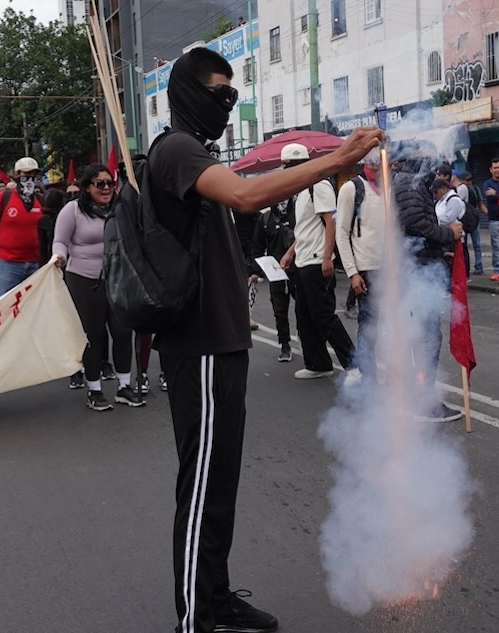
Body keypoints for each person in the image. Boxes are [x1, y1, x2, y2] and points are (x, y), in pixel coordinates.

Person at [146, 46, 382, 633]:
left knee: (220, 481)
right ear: (186, 92)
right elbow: (249, 195)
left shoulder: (198, 153)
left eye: (232, 94)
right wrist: (335, 160)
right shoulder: (176, 149)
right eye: (216, 93)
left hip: (223, 342)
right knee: (201, 484)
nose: (225, 104)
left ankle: (216, 596)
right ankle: (196, 617)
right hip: (196, 345)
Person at [53, 164, 142, 411]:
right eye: (99, 184)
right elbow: (60, 240)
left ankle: (124, 386)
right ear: (87, 187)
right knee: (93, 336)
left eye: (109, 183)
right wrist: (59, 256)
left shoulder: (122, 210)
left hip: (119, 277)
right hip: (83, 279)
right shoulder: (73, 211)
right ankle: (95, 390)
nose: (105, 188)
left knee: (123, 332)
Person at [391, 140, 465, 422]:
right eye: (428, 153)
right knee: (426, 337)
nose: (434, 160)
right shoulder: (409, 182)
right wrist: (448, 234)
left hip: (419, 264)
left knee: (423, 336)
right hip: (415, 270)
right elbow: (415, 224)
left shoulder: (412, 180)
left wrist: (439, 248)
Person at [278, 142, 356, 380]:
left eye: (289, 166)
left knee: (323, 315)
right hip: (302, 260)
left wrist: (326, 257)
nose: (286, 171)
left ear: (299, 165)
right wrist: (291, 251)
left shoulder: (318, 185)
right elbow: (305, 230)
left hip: (316, 261)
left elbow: (329, 223)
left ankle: (354, 365)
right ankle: (318, 363)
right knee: (304, 316)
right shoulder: (301, 192)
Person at [337, 157, 384, 384]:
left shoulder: (389, 188)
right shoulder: (351, 188)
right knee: (368, 327)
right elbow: (342, 232)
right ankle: (369, 378)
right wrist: (352, 272)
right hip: (366, 271)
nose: (378, 165)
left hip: (390, 271)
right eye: (373, 160)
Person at [0, 157, 44, 298]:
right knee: (6, 310)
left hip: (36, 264)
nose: (30, 178)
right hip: (9, 265)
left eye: (33, 174)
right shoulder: (2, 198)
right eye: (26, 174)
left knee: (34, 308)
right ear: (17, 175)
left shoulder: (41, 199)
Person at [250, 193, 297, 362]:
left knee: (303, 310)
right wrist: (256, 271)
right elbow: (257, 246)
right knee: (279, 311)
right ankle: (284, 344)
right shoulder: (265, 220)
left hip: (298, 270)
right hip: (275, 272)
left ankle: (308, 342)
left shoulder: (298, 212)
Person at [456, 171, 483, 276]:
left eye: (470, 179)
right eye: (467, 180)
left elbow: (480, 203)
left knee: (477, 243)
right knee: (465, 244)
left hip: (473, 219)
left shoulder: (475, 189)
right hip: (465, 220)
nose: (469, 182)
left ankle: (479, 266)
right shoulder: (462, 190)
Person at [484, 159, 499, 280]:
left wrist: (496, 193)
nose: (497, 170)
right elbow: (492, 198)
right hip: (494, 220)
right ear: (491, 170)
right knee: (497, 246)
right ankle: (498, 270)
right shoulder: (487, 183)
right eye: (495, 168)